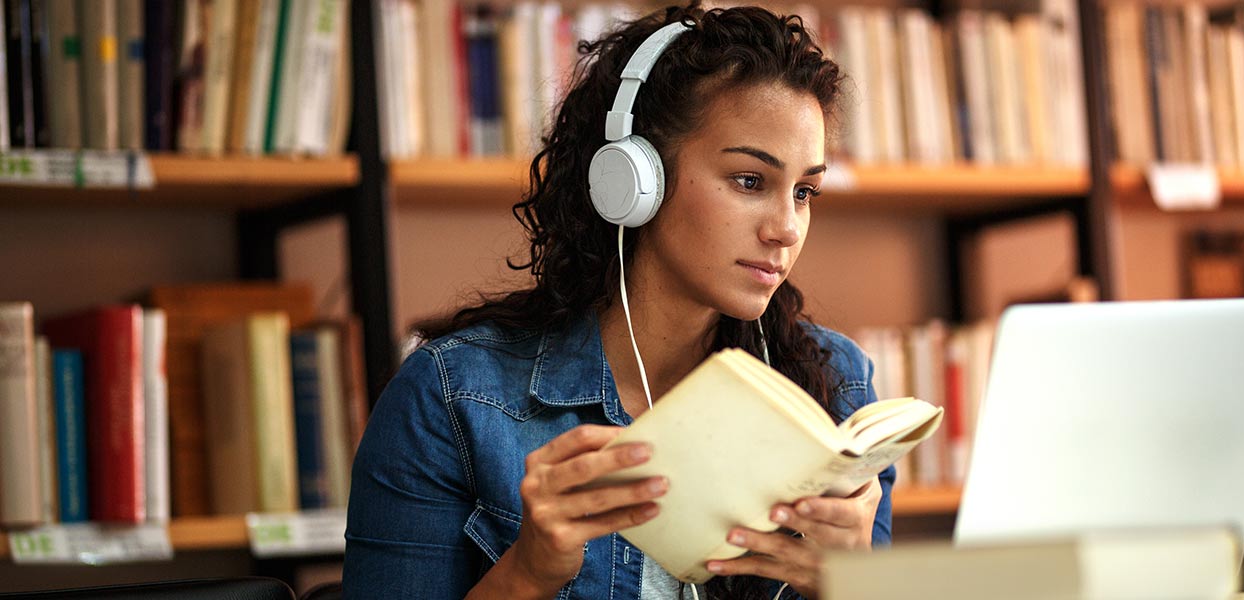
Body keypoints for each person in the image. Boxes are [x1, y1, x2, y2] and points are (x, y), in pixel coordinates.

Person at [343, 4, 894, 599]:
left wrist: (850, 584)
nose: (787, 228)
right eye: (750, 181)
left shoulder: (837, 388)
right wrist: (528, 574)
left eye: (805, 190)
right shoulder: (452, 398)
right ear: (634, 180)